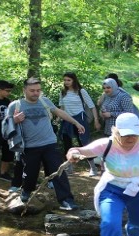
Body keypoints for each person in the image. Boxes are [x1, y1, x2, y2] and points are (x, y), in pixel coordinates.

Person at [6, 77, 84, 210]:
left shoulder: (44, 101)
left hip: (49, 143)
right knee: (30, 173)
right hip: (29, 147)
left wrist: (75, 122)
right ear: (24, 90)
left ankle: (66, 200)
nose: (36, 93)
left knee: (59, 171)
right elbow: (6, 125)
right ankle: (26, 190)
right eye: (32, 90)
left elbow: (58, 112)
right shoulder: (15, 105)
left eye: (38, 90)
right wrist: (14, 119)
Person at [58, 72, 100, 176]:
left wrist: (96, 120)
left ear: (74, 80)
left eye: (69, 80)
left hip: (80, 119)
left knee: (84, 143)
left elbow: (92, 106)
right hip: (67, 120)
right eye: (65, 80)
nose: (66, 82)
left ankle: (93, 167)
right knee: (67, 143)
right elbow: (61, 108)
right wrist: (59, 118)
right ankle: (69, 167)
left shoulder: (81, 91)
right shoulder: (63, 92)